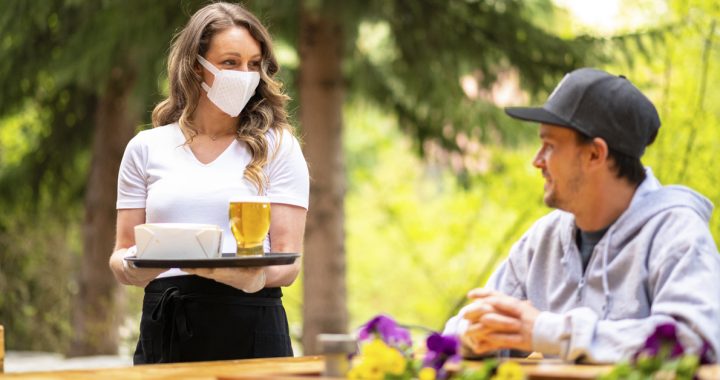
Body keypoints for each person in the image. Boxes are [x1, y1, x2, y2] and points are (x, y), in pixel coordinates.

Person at [444, 68, 720, 363]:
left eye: (549, 146)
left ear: (594, 155)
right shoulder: (543, 240)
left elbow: (694, 340)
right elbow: (458, 330)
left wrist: (548, 332)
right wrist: (475, 335)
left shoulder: (677, 233)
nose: (537, 161)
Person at [108, 2, 309, 364]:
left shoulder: (278, 146)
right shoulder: (146, 147)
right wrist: (137, 267)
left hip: (252, 324)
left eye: (253, 64)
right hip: (166, 325)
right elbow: (122, 253)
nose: (245, 74)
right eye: (230, 62)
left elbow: (289, 262)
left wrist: (253, 279)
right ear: (195, 66)